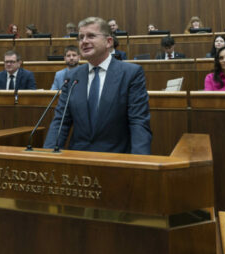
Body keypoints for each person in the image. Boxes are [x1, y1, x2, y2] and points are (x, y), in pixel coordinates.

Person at [42, 16, 151, 154]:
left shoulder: (130, 73)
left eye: (91, 36)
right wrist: (48, 156)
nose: (84, 41)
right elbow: (60, 121)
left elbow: (138, 122)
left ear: (108, 41)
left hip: (116, 160)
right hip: (78, 159)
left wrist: (139, 163)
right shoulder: (73, 76)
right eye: (81, 37)